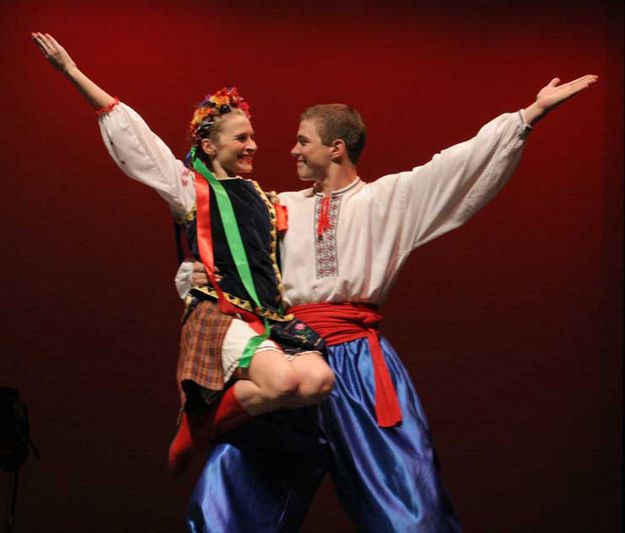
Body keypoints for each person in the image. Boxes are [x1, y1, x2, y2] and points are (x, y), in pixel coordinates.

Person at [181, 74, 598, 531]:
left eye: (303, 141)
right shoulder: (276, 206)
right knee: (231, 498)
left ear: (336, 147)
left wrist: (527, 116)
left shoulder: (387, 201)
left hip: (357, 364)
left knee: (409, 506)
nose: (293, 151)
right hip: (292, 355)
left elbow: (456, 165)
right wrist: (197, 275)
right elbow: (229, 252)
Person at [31, 32, 335, 475]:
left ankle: (219, 414)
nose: (252, 146)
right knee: (284, 380)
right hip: (221, 314)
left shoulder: (268, 201)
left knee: (319, 382)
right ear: (209, 147)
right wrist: (71, 71)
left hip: (271, 317)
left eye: (252, 136)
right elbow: (137, 140)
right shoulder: (190, 189)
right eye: (241, 137)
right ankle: (201, 422)